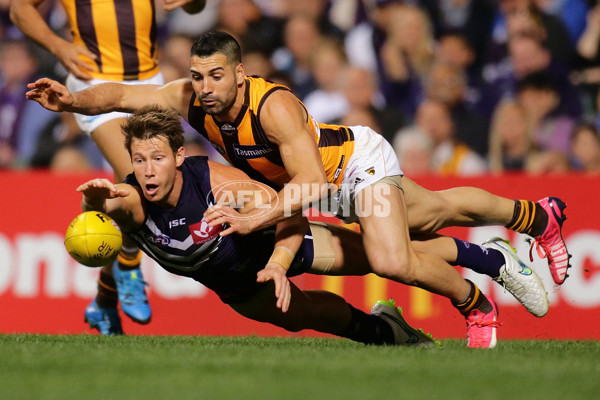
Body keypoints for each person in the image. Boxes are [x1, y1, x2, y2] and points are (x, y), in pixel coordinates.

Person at [26, 31, 559, 348]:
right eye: (197, 76)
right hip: (311, 189)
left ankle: (477, 303)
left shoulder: (272, 106)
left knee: (391, 259)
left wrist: (260, 221)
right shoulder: (190, 99)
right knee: (433, 214)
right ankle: (533, 221)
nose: (205, 88)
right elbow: (124, 94)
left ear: (239, 73)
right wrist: (72, 104)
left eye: (216, 76)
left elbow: (311, 181)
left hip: (350, 168)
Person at [78, 105, 544, 348]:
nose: (149, 171)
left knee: (389, 259)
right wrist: (100, 202)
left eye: (158, 158)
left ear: (179, 157)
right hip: (239, 288)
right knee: (313, 318)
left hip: (290, 246)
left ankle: (488, 258)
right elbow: (119, 208)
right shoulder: (131, 201)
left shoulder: (221, 185)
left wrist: (280, 263)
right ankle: (389, 333)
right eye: (139, 162)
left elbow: (292, 211)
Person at [11, 0, 206, 334]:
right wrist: (60, 47)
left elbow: (192, 9)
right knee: (144, 175)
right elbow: (19, 10)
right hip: (93, 85)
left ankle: (104, 300)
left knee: (134, 185)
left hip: (148, 82)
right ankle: (129, 267)